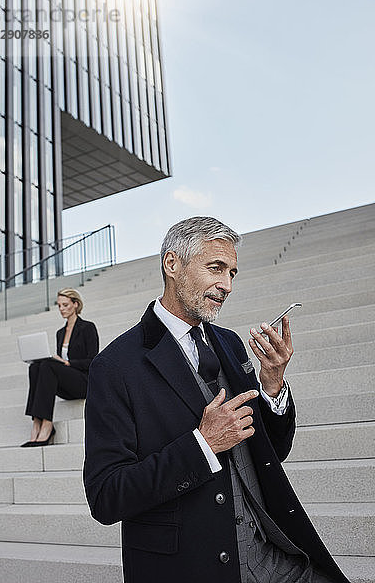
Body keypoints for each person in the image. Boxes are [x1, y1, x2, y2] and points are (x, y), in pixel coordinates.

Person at [83, 217, 349, 583]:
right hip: (192, 568)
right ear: (172, 264)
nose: (226, 285)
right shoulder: (115, 365)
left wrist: (272, 386)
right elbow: (106, 496)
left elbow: (272, 452)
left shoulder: (229, 342)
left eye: (233, 273)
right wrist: (202, 444)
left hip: (273, 556)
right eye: (216, 268)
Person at [22, 288, 99, 447]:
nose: (62, 309)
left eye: (65, 305)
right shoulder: (60, 333)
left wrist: (68, 363)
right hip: (66, 384)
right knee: (35, 367)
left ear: (76, 304)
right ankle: (37, 422)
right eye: (59, 306)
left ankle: (47, 424)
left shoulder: (87, 328)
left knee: (47, 366)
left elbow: (93, 361)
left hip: (83, 382)